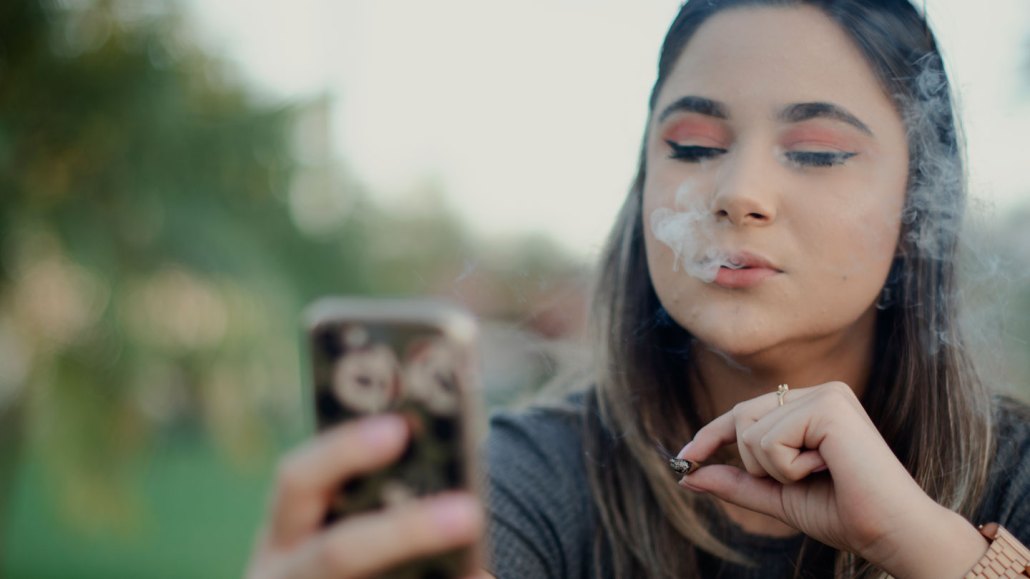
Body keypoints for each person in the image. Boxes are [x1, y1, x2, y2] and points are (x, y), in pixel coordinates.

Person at [246, 1, 1030, 577]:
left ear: (921, 196)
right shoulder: (529, 481)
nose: (738, 190)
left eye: (818, 152)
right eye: (692, 144)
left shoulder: (1017, 475)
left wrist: (936, 551)